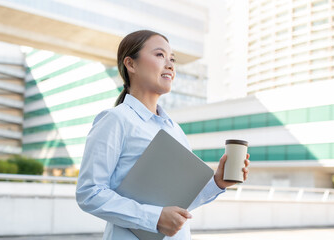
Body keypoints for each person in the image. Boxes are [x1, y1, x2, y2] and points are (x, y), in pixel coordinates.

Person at [76, 30, 250, 240]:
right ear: (131, 64)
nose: (170, 64)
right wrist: (154, 218)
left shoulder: (174, 130)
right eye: (160, 55)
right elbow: (89, 193)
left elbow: (180, 203)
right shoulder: (115, 120)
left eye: (172, 59)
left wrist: (217, 182)